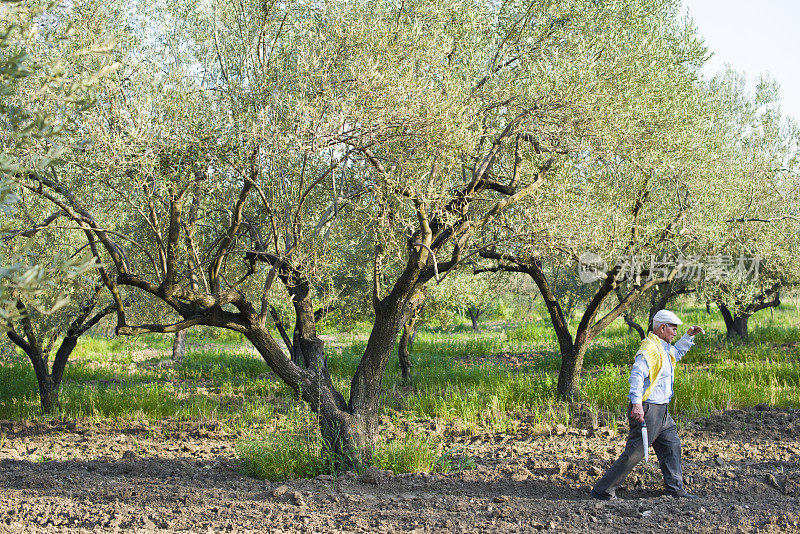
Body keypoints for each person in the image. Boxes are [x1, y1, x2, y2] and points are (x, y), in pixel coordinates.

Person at [591, 309, 705, 500]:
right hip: (648, 410)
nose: (675, 332)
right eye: (674, 329)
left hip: (663, 411)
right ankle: (603, 490)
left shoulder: (663, 347)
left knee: (672, 447)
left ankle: (675, 489)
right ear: (662, 328)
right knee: (635, 453)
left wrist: (688, 336)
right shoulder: (649, 349)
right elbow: (636, 376)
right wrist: (636, 404)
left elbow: (676, 353)